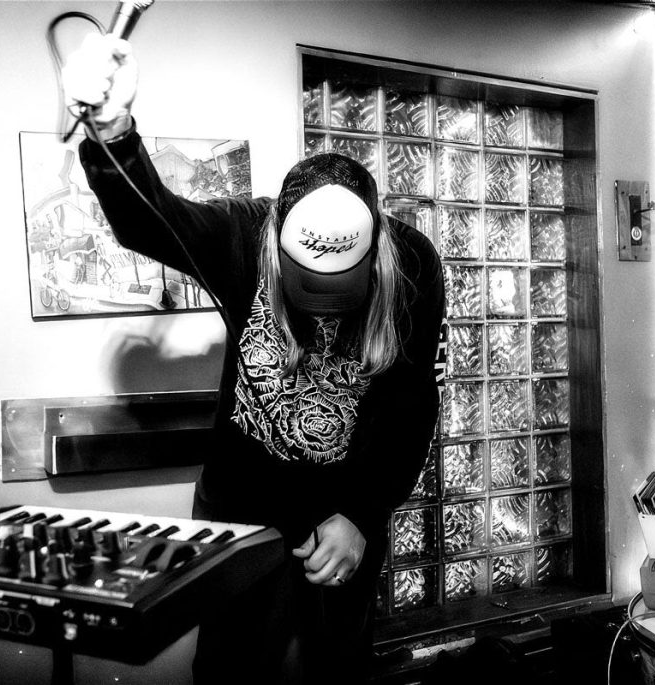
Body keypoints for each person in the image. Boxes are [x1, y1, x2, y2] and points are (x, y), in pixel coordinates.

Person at [63, 35, 446, 684]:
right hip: (241, 500)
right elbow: (149, 220)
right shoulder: (243, 233)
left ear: (376, 246)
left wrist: (363, 514)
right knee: (229, 667)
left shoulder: (412, 264)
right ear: (277, 241)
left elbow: (413, 406)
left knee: (338, 666)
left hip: (345, 507)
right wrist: (111, 129)